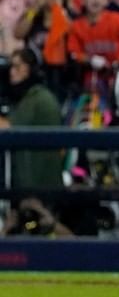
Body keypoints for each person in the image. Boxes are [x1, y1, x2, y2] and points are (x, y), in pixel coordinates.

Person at [0, 47, 64, 190]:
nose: (11, 72)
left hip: (38, 186)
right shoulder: (34, 96)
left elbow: (7, 128)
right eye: (11, 67)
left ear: (29, 69)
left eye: (17, 67)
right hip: (41, 185)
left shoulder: (36, 98)